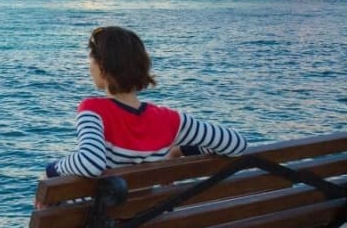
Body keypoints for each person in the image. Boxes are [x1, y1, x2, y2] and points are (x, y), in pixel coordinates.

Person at [46, 26, 247, 179]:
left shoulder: (93, 110)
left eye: (91, 59)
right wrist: (181, 150)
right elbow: (236, 144)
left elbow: (91, 163)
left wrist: (51, 170)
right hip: (150, 223)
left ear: (102, 66)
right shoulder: (170, 120)